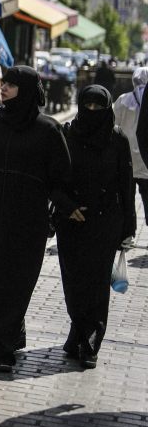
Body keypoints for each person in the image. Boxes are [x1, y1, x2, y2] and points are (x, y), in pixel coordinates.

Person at [0, 65, 71, 372]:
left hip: (27, 222)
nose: (3, 87)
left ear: (27, 89)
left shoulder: (48, 130)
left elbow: (61, 177)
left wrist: (62, 208)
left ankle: (2, 342)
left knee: (16, 281)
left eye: (11, 84)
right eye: (3, 82)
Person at [53, 85, 136, 369]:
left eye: (97, 107)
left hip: (104, 222)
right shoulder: (68, 134)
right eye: (86, 106)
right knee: (73, 282)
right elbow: (54, 178)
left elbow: (126, 183)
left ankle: (91, 340)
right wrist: (67, 207)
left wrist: (128, 228)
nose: (91, 112)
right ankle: (78, 328)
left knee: (97, 285)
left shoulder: (117, 139)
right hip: (71, 222)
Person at [115, 67, 148, 217]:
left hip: (126, 156)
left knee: (127, 199)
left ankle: (128, 232)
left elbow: (114, 126)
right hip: (145, 156)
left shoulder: (123, 99)